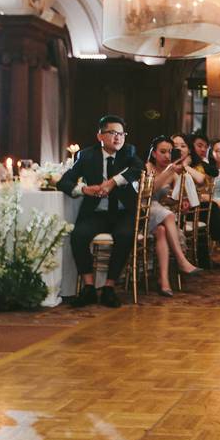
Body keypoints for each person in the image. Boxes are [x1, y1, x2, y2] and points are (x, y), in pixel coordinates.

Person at [57, 115, 143, 308]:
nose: (118, 138)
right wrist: (84, 190)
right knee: (78, 235)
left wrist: (113, 182)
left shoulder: (128, 152)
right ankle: (88, 287)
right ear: (100, 136)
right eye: (112, 133)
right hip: (97, 212)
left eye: (121, 134)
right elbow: (64, 181)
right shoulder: (87, 155)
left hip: (122, 213)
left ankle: (109, 287)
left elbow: (139, 169)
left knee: (124, 235)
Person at [145, 136, 202, 296]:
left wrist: (181, 201)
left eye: (170, 152)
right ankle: (182, 261)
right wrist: (169, 171)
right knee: (169, 216)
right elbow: (150, 192)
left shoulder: (172, 171)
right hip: (143, 210)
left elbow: (173, 196)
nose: (167, 156)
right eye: (162, 152)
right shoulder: (148, 167)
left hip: (158, 213)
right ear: (154, 153)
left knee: (162, 231)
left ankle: (164, 281)